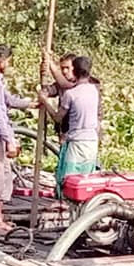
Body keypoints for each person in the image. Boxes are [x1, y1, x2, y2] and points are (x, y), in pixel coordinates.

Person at [0, 44, 35, 233]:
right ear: (1, 61)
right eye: (8, 61)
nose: (9, 64)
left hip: (0, 136)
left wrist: (30, 104)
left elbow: (8, 100)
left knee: (4, 179)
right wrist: (9, 139)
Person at [37, 56, 101, 192]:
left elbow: (57, 117)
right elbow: (58, 86)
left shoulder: (72, 92)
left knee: (68, 177)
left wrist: (45, 102)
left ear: (75, 70)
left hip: (77, 141)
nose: (65, 72)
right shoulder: (93, 89)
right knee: (85, 175)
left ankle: (68, 204)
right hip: (90, 140)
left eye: (68, 68)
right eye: (62, 69)